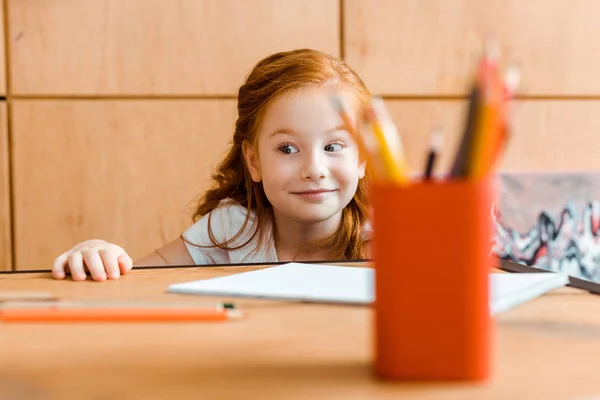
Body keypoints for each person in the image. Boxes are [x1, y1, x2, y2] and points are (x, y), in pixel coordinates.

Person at [52, 48, 373, 282]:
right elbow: (137, 281)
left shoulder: (387, 238)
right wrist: (99, 256)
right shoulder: (234, 229)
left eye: (333, 146)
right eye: (287, 148)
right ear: (253, 161)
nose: (313, 169)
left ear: (361, 158)